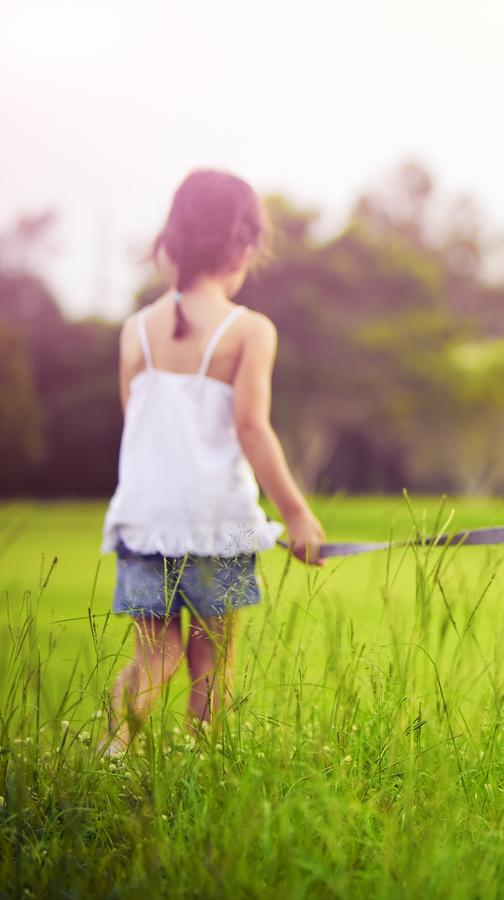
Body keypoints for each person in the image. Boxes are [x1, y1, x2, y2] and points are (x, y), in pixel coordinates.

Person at [100, 169, 325, 754]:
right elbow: (252, 428)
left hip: (145, 520)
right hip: (216, 525)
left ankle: (112, 751)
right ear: (244, 249)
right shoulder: (249, 330)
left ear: (170, 243)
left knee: (155, 653)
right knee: (212, 663)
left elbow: (137, 425)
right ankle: (206, 767)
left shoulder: (135, 332)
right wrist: (296, 515)